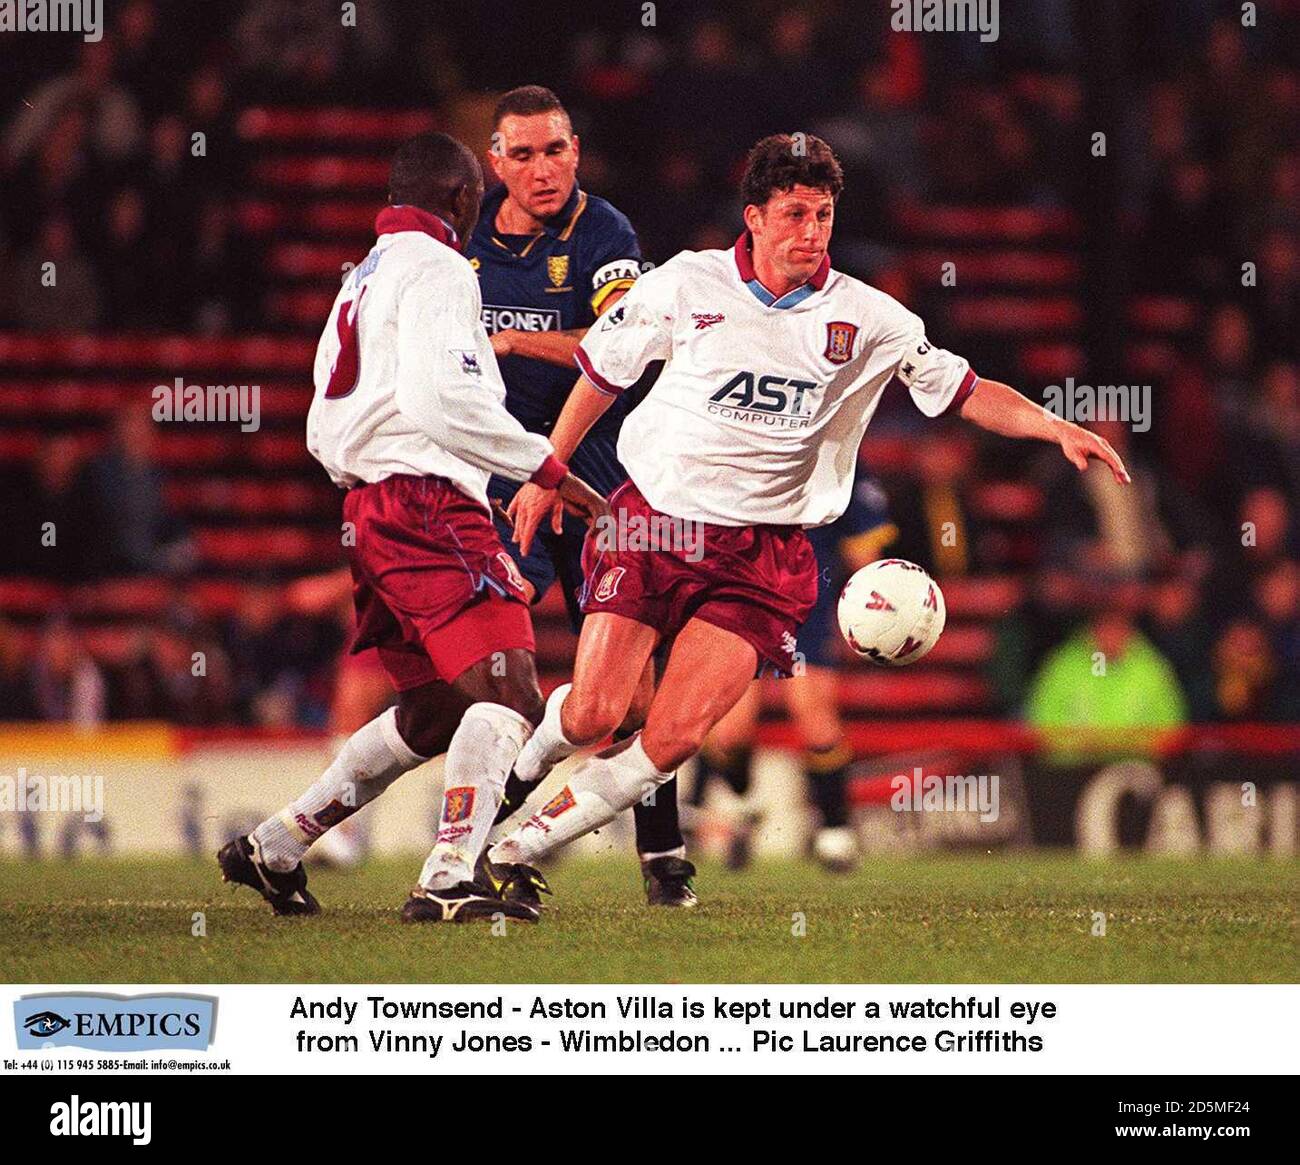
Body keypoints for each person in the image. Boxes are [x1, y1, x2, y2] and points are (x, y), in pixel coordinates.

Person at [480, 133, 1129, 886]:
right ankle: (510, 789)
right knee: (594, 714)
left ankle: (511, 849)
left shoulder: (870, 318)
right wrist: (546, 469)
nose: (809, 233)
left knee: (676, 734)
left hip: (761, 555)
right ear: (752, 217)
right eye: (793, 214)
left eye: (822, 216)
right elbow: (601, 372)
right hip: (651, 524)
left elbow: (966, 388)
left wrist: (1052, 423)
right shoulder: (685, 284)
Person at [217, 132, 606, 924]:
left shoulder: (362, 276)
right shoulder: (439, 269)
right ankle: (449, 871)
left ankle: (278, 843)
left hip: (369, 507)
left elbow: (324, 421)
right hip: (425, 503)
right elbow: (444, 402)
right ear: (462, 201)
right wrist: (548, 470)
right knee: (508, 690)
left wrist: (370, 488)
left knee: (432, 712)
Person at [467, 85, 693, 907]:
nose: (542, 169)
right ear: (496, 162)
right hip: (494, 479)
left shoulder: (605, 233)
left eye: (555, 150)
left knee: (632, 691)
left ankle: (660, 854)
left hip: (596, 476)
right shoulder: (465, 240)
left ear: (576, 152)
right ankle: (478, 852)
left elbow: (621, 347)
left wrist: (510, 338)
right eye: (522, 154)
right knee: (498, 672)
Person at [695, 469, 897, 872]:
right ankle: (741, 808)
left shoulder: (840, 461)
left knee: (816, 720)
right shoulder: (738, 454)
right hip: (741, 604)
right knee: (729, 733)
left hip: (806, 612)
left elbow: (865, 555)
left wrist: (868, 610)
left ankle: (835, 832)